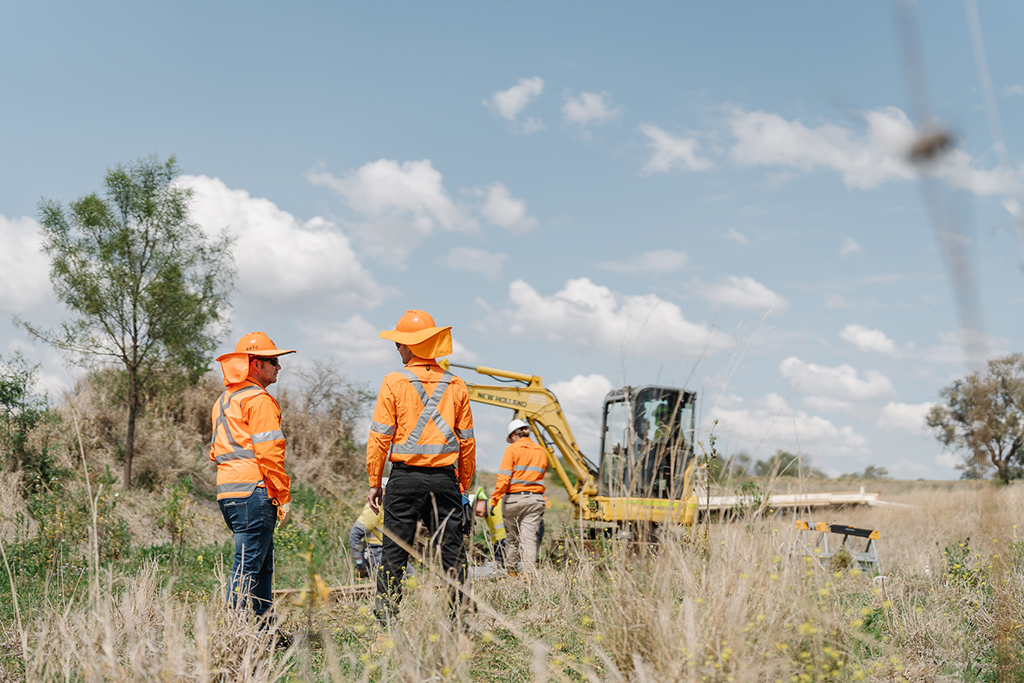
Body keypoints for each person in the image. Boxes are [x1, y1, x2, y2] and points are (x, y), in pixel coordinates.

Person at [366, 310, 476, 624]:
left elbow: (379, 438)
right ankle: (462, 622)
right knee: (452, 553)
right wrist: (463, 484)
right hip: (445, 480)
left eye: (399, 343)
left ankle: (386, 622)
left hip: (403, 479)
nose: (397, 348)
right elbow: (467, 441)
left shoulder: (393, 382)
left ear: (413, 346)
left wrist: (376, 481)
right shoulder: (456, 385)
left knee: (394, 552)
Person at [209, 332, 295, 618]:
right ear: (255, 364)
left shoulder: (224, 401)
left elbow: (215, 452)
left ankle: (263, 631)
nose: (278, 367)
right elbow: (269, 453)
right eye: (273, 361)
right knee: (247, 567)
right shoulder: (259, 400)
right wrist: (283, 496)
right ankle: (235, 636)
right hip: (255, 493)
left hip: (229, 493)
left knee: (260, 565)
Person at [490, 419, 547, 575]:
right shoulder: (541, 450)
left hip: (514, 500)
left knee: (512, 539)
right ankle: (528, 575)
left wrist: (494, 499)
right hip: (535, 500)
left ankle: (512, 572)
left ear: (514, 435)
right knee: (529, 540)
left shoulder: (512, 449)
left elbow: (504, 477)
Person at [351, 478, 387, 578]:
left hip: (386, 550)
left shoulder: (390, 507)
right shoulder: (376, 507)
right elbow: (355, 533)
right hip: (376, 551)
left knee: (409, 575)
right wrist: (358, 559)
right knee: (408, 576)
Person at [471, 486, 506, 566]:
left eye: (474, 509)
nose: (475, 514)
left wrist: (499, 559)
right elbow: (495, 538)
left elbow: (501, 537)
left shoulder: (494, 507)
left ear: (480, 501)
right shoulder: (487, 514)